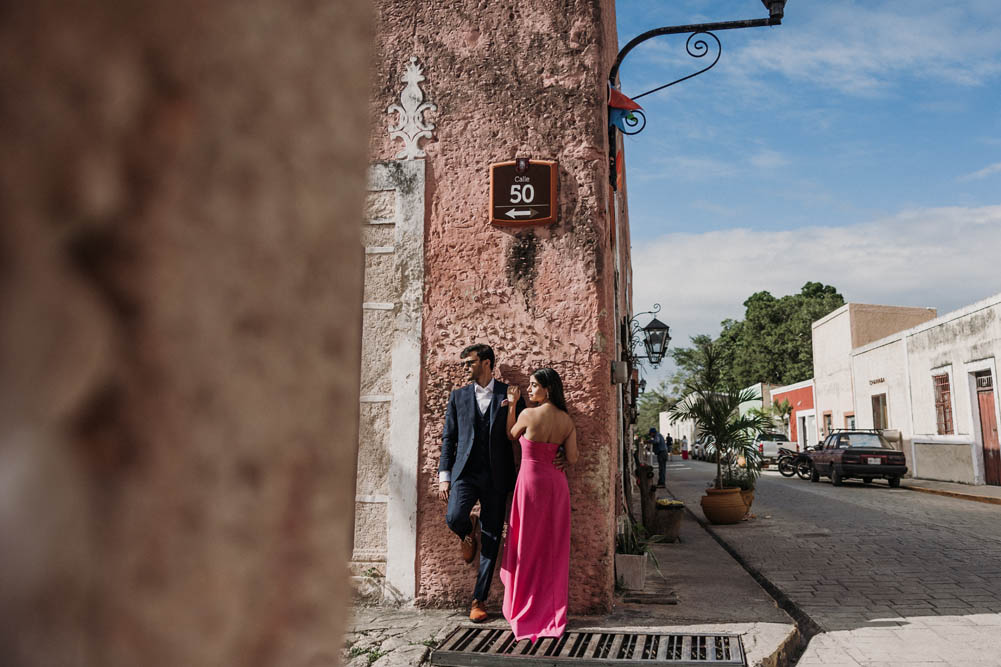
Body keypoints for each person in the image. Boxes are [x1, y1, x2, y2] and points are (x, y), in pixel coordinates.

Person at [438, 344, 525, 623]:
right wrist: (445, 475)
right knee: (453, 516)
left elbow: (522, 432)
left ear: (486, 363)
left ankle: (479, 600)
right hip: (466, 472)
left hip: (497, 475)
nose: (466, 368)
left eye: (470, 363)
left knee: (491, 537)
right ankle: (466, 531)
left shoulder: (508, 394)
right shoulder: (458, 396)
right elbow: (449, 438)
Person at [501, 368, 578, 642]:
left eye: (534, 386)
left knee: (526, 545)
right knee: (553, 548)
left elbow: (511, 435)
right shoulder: (566, 420)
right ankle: (550, 607)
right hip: (556, 486)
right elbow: (572, 457)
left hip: (531, 485)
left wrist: (512, 404)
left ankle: (524, 603)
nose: (530, 390)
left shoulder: (527, 414)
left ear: (547, 388)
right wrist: (556, 456)